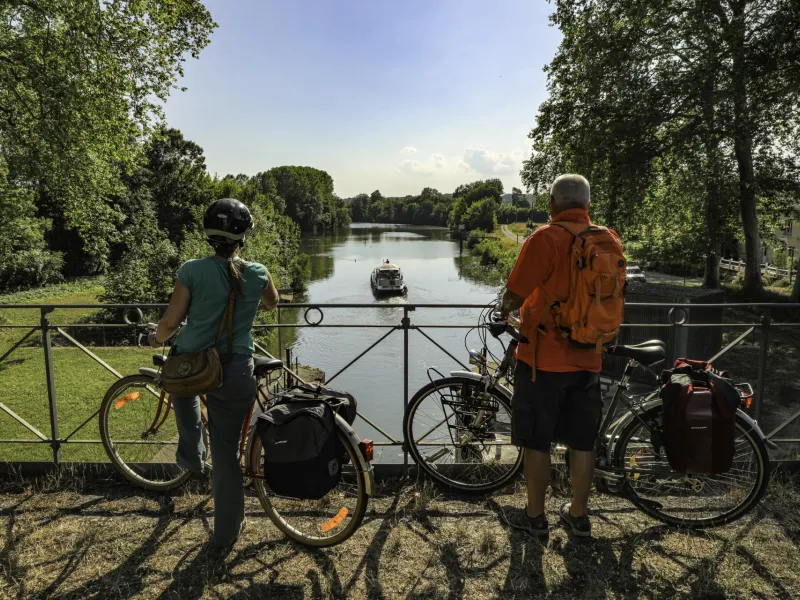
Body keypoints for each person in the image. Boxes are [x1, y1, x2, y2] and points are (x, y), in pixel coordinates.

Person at [148, 198, 279, 547]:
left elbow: (171, 322)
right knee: (227, 456)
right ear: (243, 236)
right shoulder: (258, 271)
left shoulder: (191, 270)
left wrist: (156, 337)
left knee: (179, 387)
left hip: (194, 363)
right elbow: (272, 303)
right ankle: (226, 533)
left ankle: (192, 456)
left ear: (208, 235)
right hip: (237, 369)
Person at [500, 174, 606, 538]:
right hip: (589, 356)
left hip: (542, 360)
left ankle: (535, 517)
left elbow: (516, 291)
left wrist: (503, 310)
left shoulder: (544, 238)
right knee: (582, 442)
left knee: (536, 441)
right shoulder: (606, 239)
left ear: (552, 205)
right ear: (587, 205)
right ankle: (578, 515)